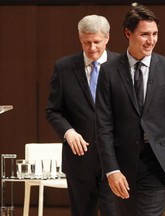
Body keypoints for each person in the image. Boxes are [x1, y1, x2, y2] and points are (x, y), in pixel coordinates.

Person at [95, 5, 165, 216]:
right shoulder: (109, 70)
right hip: (122, 164)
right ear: (128, 33)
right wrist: (111, 170)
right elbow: (103, 125)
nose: (151, 40)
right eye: (145, 34)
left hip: (158, 162)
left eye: (155, 34)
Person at [46, 15, 119, 216]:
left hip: (115, 159)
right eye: (87, 42)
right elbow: (53, 110)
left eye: (97, 42)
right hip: (79, 160)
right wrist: (68, 132)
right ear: (80, 38)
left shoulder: (122, 65)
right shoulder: (64, 67)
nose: (92, 47)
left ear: (107, 38)